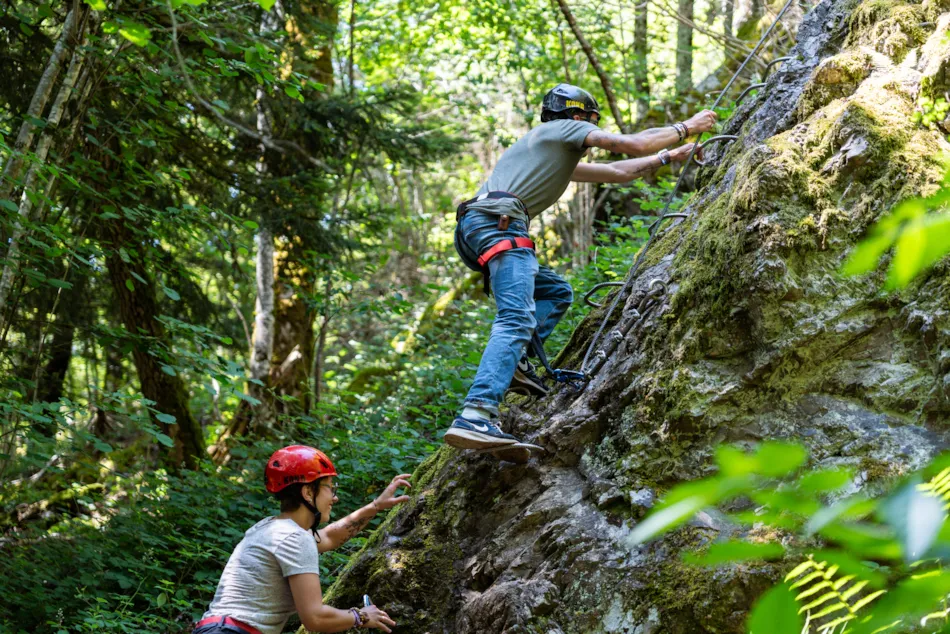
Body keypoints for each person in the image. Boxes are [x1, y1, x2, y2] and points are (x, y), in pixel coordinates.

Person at [444, 83, 718, 450]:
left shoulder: (550, 150)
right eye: (591, 122)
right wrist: (688, 125)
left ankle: (518, 363)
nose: (591, 130)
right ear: (579, 117)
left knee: (556, 292)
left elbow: (621, 170)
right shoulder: (563, 130)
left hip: (482, 227)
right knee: (515, 318)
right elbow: (633, 143)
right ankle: (476, 415)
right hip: (499, 226)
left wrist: (669, 156)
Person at [194, 445, 411, 634]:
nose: (334, 497)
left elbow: (328, 536)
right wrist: (361, 616)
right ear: (308, 492)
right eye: (330, 488)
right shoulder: (293, 538)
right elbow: (314, 618)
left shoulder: (271, 528)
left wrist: (376, 506)